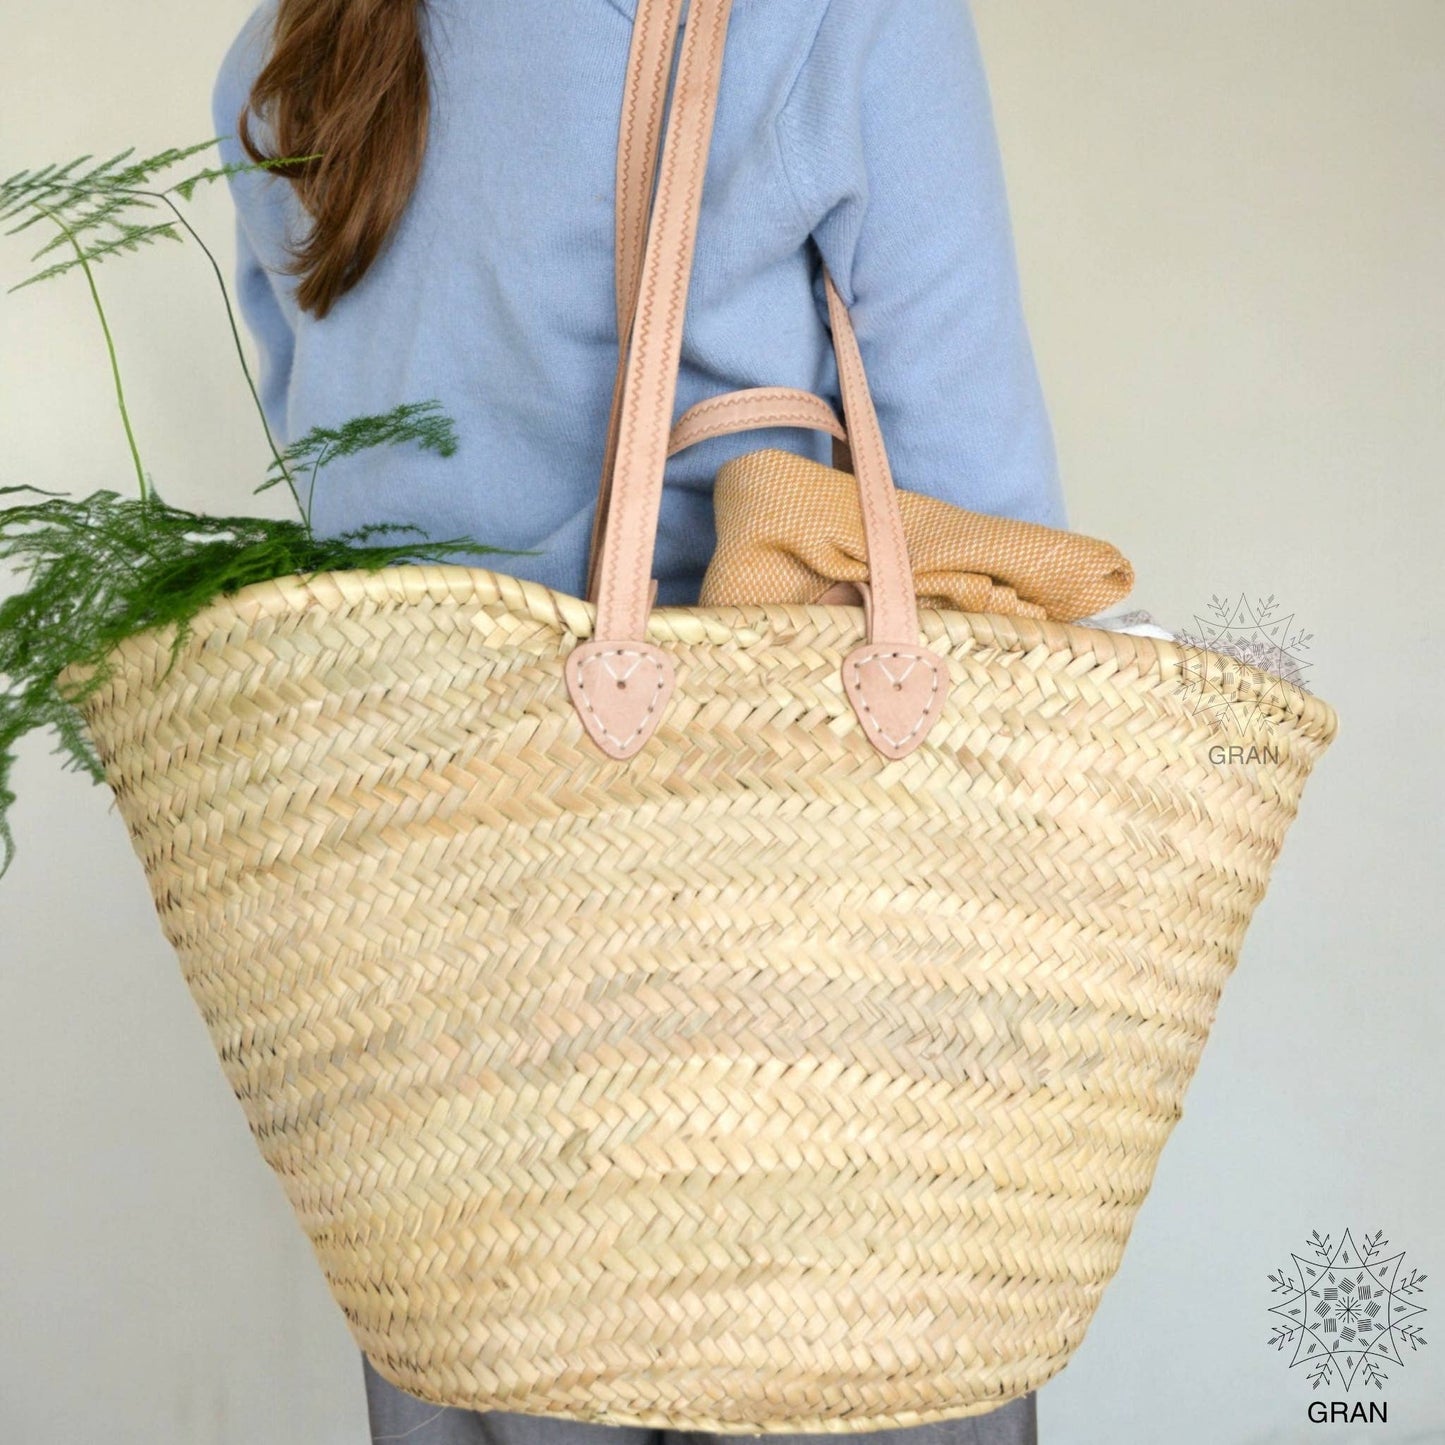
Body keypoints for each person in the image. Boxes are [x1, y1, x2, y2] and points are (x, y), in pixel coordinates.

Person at [211, 2, 1058, 1441]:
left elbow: (338, 476)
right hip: (799, 973)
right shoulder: (842, 18)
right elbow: (983, 526)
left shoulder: (285, 49)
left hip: (430, 982)